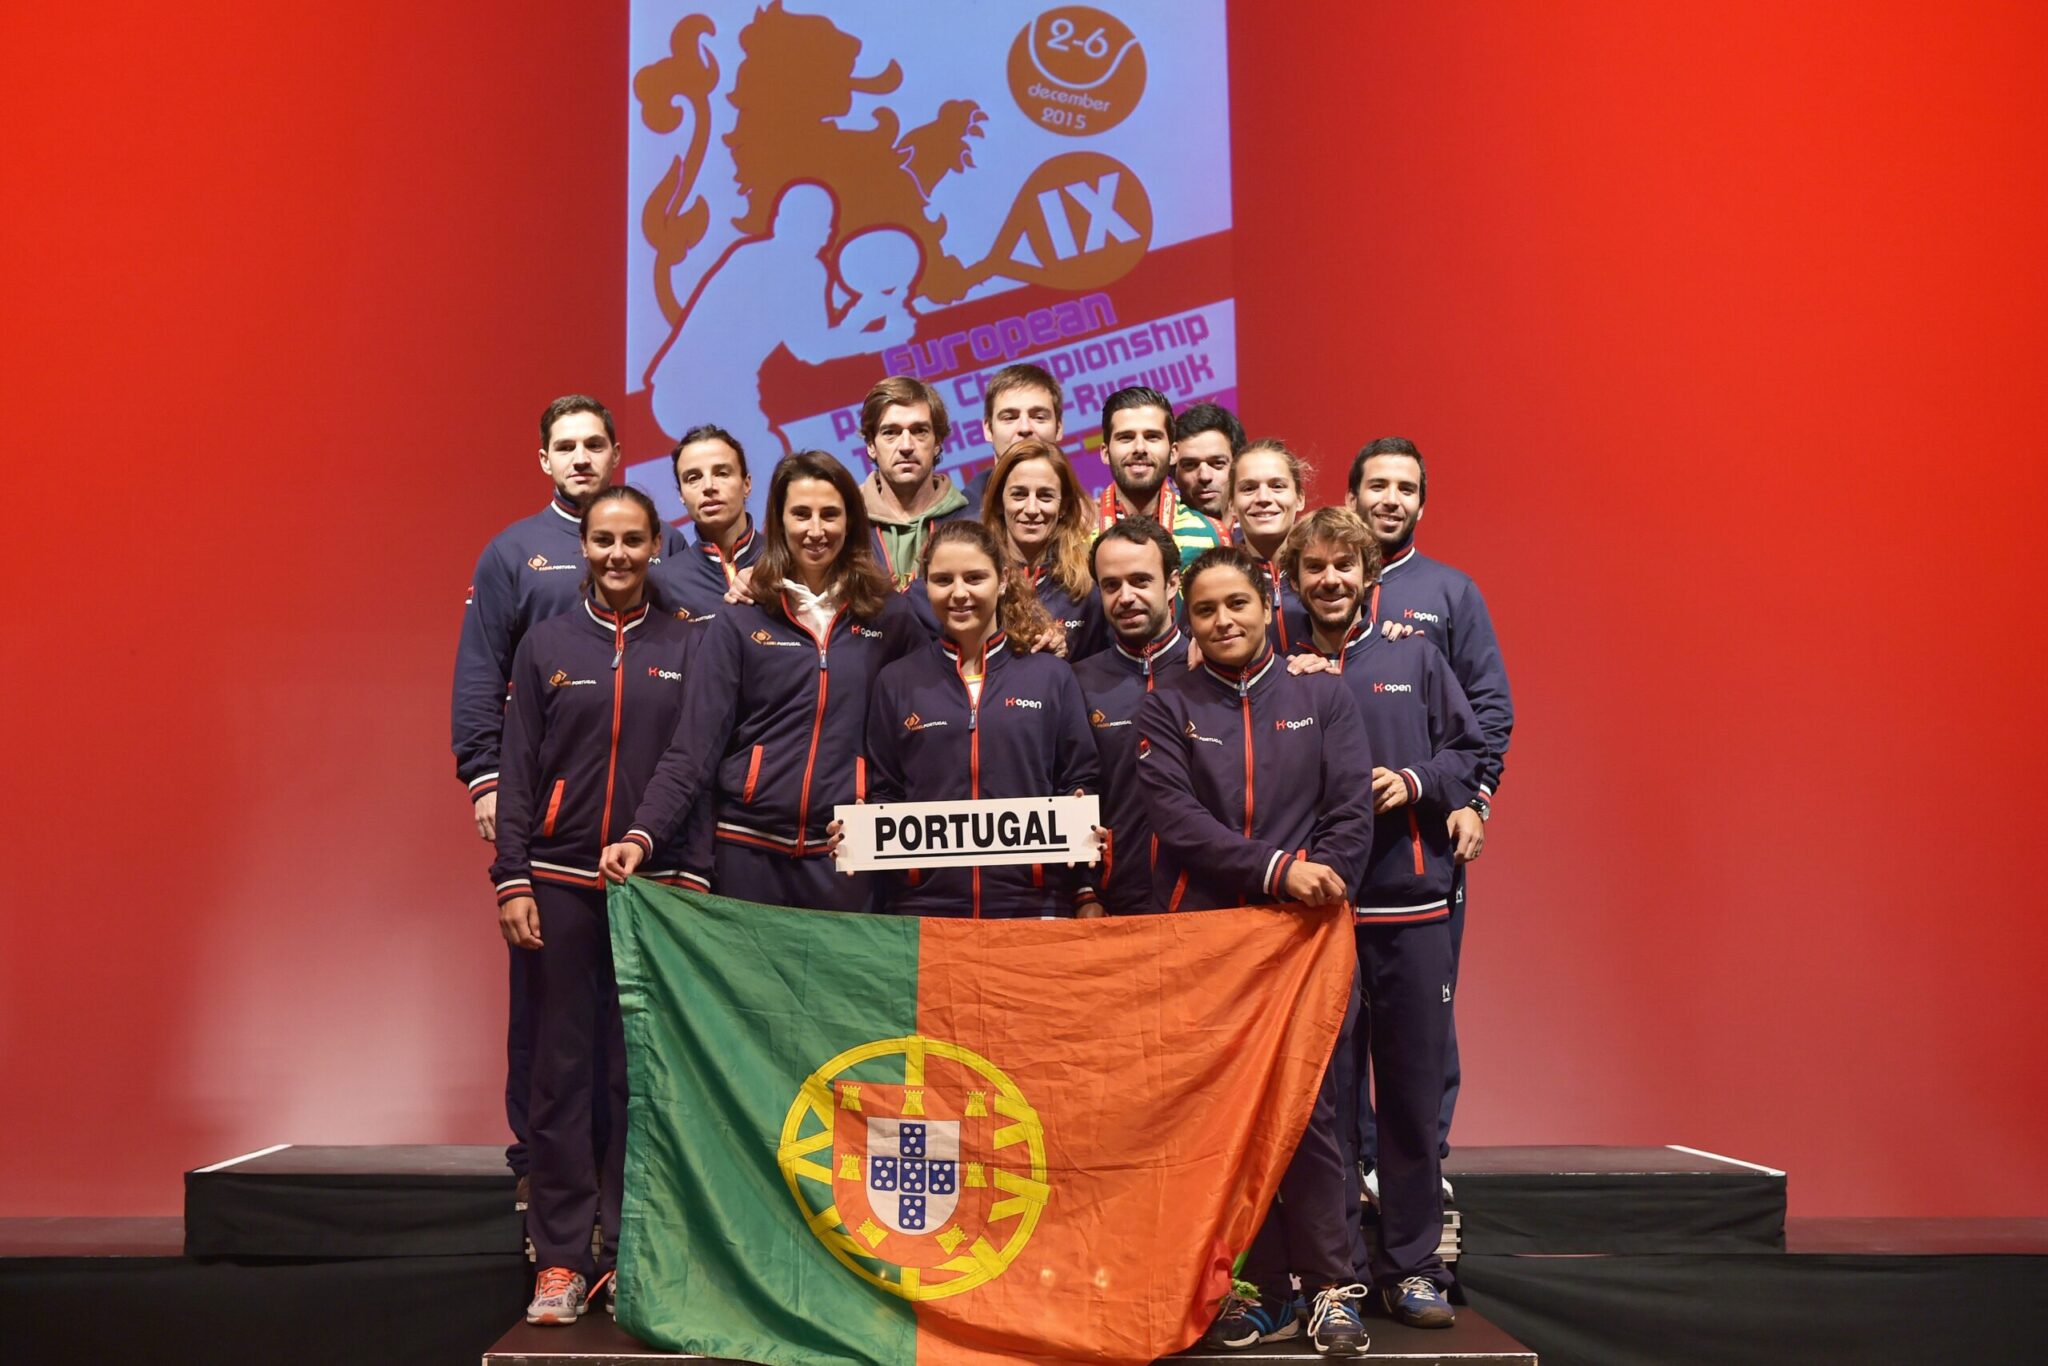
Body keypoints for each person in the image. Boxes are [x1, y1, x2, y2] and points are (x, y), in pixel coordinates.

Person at [1134, 545, 1376, 1354]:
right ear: (1188, 620)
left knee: (1311, 1114)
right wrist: (1278, 869)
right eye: (1205, 610)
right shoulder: (1166, 707)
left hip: (1305, 942)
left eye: (1236, 603)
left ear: (1268, 602)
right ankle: (1265, 1290)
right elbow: (1177, 821)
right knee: (1226, 1118)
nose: (1222, 620)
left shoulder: (1324, 694)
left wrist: (1320, 879)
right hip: (1208, 942)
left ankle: (1333, 1288)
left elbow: (1350, 811)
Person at [452, 394, 685, 1197]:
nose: (581, 457)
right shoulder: (513, 552)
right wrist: (486, 779)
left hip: (641, 837)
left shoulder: (665, 546)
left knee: (631, 1025)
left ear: (617, 453)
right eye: (566, 446)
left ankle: (625, 1189)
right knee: (547, 1013)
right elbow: (481, 675)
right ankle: (539, 1168)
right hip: (546, 822)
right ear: (545, 460)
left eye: (594, 444)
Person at [490, 485, 702, 1326]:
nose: (617, 554)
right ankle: (561, 1260)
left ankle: (626, 1254)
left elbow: (697, 767)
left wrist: (693, 875)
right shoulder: (545, 644)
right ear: (584, 546)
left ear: (656, 546)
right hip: (560, 886)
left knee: (638, 1077)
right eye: (603, 539)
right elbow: (518, 767)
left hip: (653, 892)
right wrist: (512, 877)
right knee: (562, 1077)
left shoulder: (690, 642)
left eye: (632, 540)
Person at [1284, 507, 1486, 1329]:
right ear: (1295, 580)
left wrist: (1413, 781)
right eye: (1315, 568)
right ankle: (1335, 1280)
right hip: (1317, 919)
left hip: (1411, 908)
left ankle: (1413, 1269)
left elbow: (1468, 754)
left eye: (1345, 566)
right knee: (1326, 1107)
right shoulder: (1278, 667)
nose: (1330, 579)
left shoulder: (1416, 656)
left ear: (1370, 574)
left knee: (1408, 1101)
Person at [600, 452, 925, 912]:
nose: (816, 530)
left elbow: (919, 740)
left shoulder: (890, 617)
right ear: (779, 520)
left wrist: (882, 814)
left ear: (851, 521)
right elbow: (694, 747)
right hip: (746, 854)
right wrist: (643, 834)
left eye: (830, 514)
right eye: (801, 514)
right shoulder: (742, 617)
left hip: (845, 859)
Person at [1349, 438, 1515, 1166]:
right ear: (1352, 495)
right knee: (1337, 1019)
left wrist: (1475, 801)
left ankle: (1422, 1163)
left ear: (1422, 504)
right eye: (1377, 485)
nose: (1391, 499)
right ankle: (1353, 1165)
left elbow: (1488, 710)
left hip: (1424, 840)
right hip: (1333, 848)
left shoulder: (1451, 592)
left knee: (1425, 1011)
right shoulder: (1311, 589)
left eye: (1406, 488)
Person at [865, 520, 1103, 919]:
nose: (959, 593)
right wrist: (859, 835)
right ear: (925, 586)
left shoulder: (1050, 676)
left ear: (1003, 580)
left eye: (974, 578)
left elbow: (1079, 780)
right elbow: (885, 793)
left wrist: (1084, 886)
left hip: (1033, 906)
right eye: (943, 580)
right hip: (925, 909)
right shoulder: (896, 682)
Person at [1071, 518, 1185, 916]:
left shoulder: (1210, 670)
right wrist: (1085, 891)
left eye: (1140, 581)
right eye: (1111, 585)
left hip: (1208, 904)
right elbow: (1072, 789)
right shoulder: (1076, 682)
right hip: (1113, 904)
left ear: (1172, 583)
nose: (1126, 597)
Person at [982, 437, 1107, 659]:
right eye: (1019, 494)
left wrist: (1061, 663)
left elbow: (1104, 666)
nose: (1032, 509)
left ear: (1064, 506)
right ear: (999, 502)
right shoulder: (976, 578)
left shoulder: (1088, 583)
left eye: (1045, 496)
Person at [859, 375, 972, 587]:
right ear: (871, 445)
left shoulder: (971, 521)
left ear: (937, 442)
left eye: (919, 431)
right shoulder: (846, 523)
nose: (906, 446)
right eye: (890, 433)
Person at [1097, 386, 1226, 570]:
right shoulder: (1079, 537)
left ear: (1173, 453)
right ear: (1105, 453)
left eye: (1152, 437)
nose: (1140, 448)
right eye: (1126, 437)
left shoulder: (1212, 536)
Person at [653, 424, 761, 620]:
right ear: (681, 495)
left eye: (722, 473)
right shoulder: (662, 584)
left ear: (746, 484)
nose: (709, 486)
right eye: (693, 478)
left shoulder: (786, 563)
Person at [1230, 439, 1311, 652]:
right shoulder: (1218, 578)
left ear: (1300, 498)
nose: (1263, 498)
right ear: (1231, 504)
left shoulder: (1328, 571)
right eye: (1249, 488)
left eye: (1277, 486)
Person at [957, 361, 1066, 513]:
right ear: (988, 429)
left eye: (1039, 417)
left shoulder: (1090, 520)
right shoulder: (955, 522)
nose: (1025, 428)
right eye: (1009, 418)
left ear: (1059, 428)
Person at [1169, 400, 1245, 528]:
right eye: (1190, 465)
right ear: (1173, 473)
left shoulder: (1261, 532)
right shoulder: (1160, 536)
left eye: (1217, 463)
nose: (1204, 476)